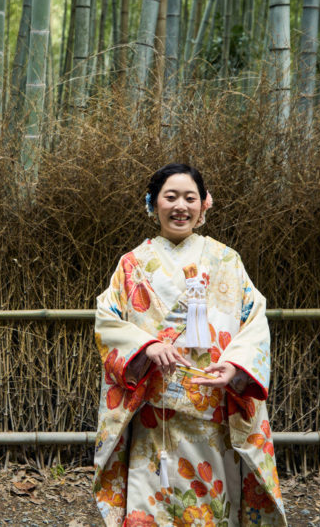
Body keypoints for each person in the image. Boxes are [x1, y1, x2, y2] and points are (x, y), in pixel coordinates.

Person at [93, 163, 286, 526]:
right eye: (170, 197)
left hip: (214, 415)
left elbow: (254, 320)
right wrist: (146, 345)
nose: (180, 206)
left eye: (189, 198)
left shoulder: (227, 261)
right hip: (154, 418)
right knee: (149, 509)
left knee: (212, 511)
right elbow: (107, 320)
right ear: (153, 205)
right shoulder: (132, 264)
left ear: (203, 205)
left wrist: (235, 366)